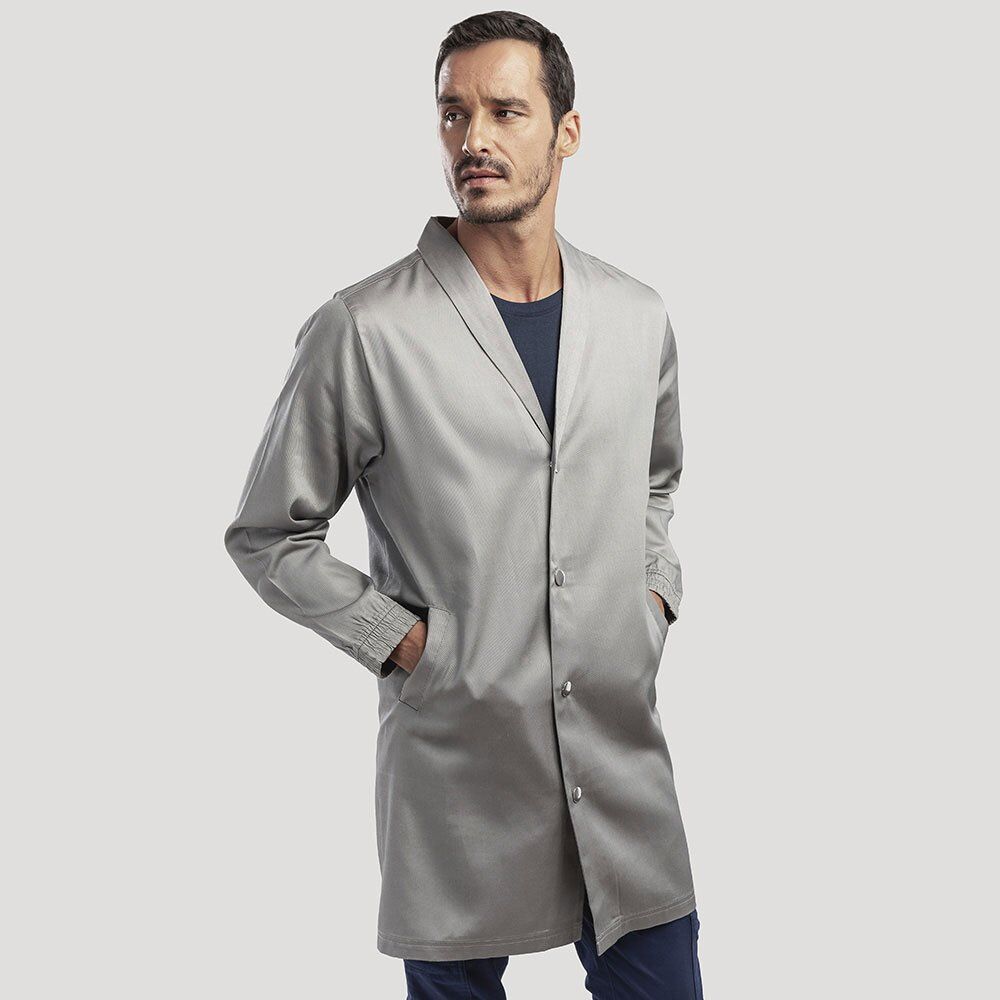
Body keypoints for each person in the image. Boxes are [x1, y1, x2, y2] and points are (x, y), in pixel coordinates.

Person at [224, 11, 703, 999]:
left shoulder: (637, 315)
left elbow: (655, 480)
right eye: (452, 113)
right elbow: (270, 532)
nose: (472, 138)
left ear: (567, 132)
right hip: (457, 763)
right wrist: (409, 644)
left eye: (504, 111)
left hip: (620, 752)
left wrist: (650, 598)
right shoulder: (365, 329)